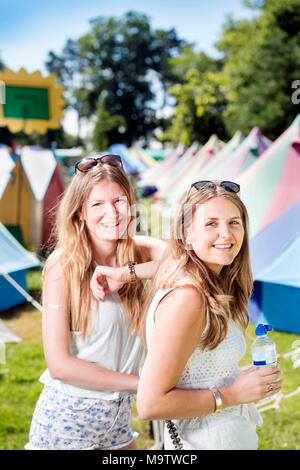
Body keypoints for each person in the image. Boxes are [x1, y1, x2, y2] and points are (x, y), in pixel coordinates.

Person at [25, 154, 166, 451]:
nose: (112, 213)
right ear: (80, 213)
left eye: (119, 201)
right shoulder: (63, 266)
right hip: (69, 419)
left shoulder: (138, 253)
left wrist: (125, 274)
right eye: (97, 204)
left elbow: (191, 263)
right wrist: (144, 383)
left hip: (117, 420)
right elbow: (60, 366)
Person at [136, 180, 282, 450]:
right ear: (187, 234)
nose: (225, 234)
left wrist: (238, 380)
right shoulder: (188, 298)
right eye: (211, 223)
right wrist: (234, 393)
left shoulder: (207, 287)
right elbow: (150, 403)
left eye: (234, 222)